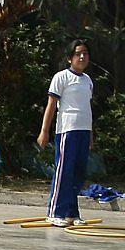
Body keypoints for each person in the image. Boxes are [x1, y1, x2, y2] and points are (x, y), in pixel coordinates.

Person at [37, 38, 94, 227]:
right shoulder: (61, 77)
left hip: (84, 130)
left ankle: (71, 212)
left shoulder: (87, 81)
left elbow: (87, 107)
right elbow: (51, 105)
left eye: (85, 53)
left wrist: (91, 134)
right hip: (67, 130)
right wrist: (44, 131)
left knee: (78, 173)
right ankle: (55, 212)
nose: (82, 57)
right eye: (78, 54)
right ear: (70, 58)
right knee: (64, 171)